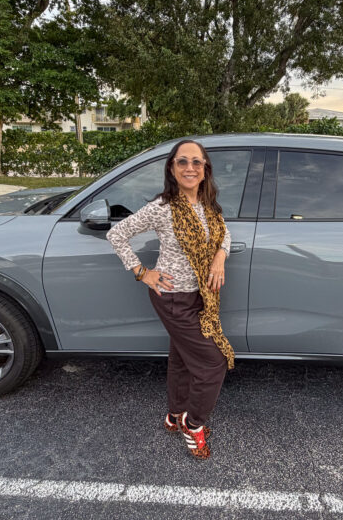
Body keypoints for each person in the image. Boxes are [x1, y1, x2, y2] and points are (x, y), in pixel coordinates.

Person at [106, 140, 234, 459]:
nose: (190, 168)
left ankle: (175, 415)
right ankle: (194, 423)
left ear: (205, 170)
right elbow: (116, 234)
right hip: (173, 299)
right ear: (172, 168)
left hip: (200, 297)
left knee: (181, 359)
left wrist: (219, 257)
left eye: (196, 162)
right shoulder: (163, 207)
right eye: (182, 162)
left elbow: (224, 235)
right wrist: (142, 272)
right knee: (213, 363)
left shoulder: (209, 205)